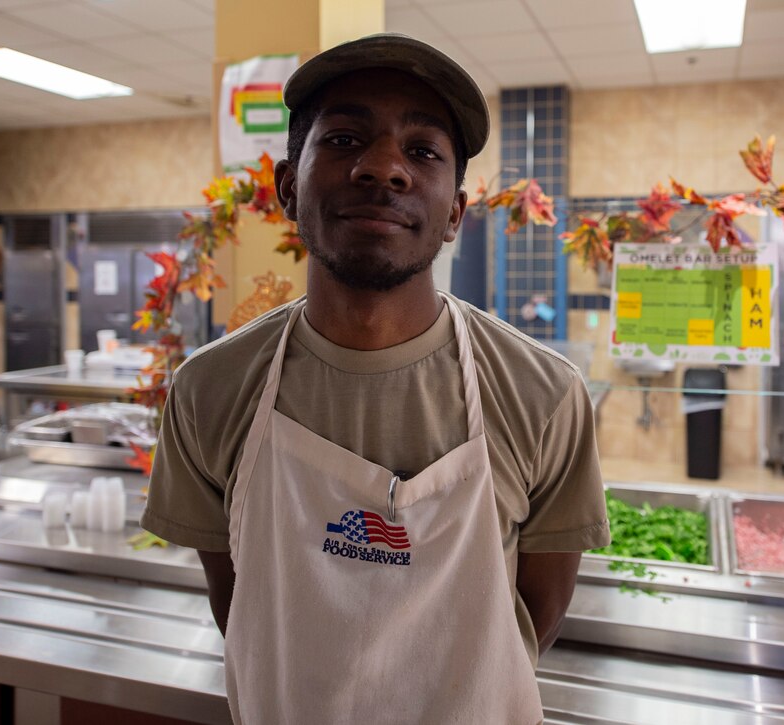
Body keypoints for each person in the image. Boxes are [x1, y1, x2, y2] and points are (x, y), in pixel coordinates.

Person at [140, 33, 609, 724]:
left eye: (422, 151)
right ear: (287, 187)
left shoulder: (543, 393)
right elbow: (237, 601)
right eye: (343, 139)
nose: (383, 167)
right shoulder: (209, 389)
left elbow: (536, 614)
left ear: (454, 212)